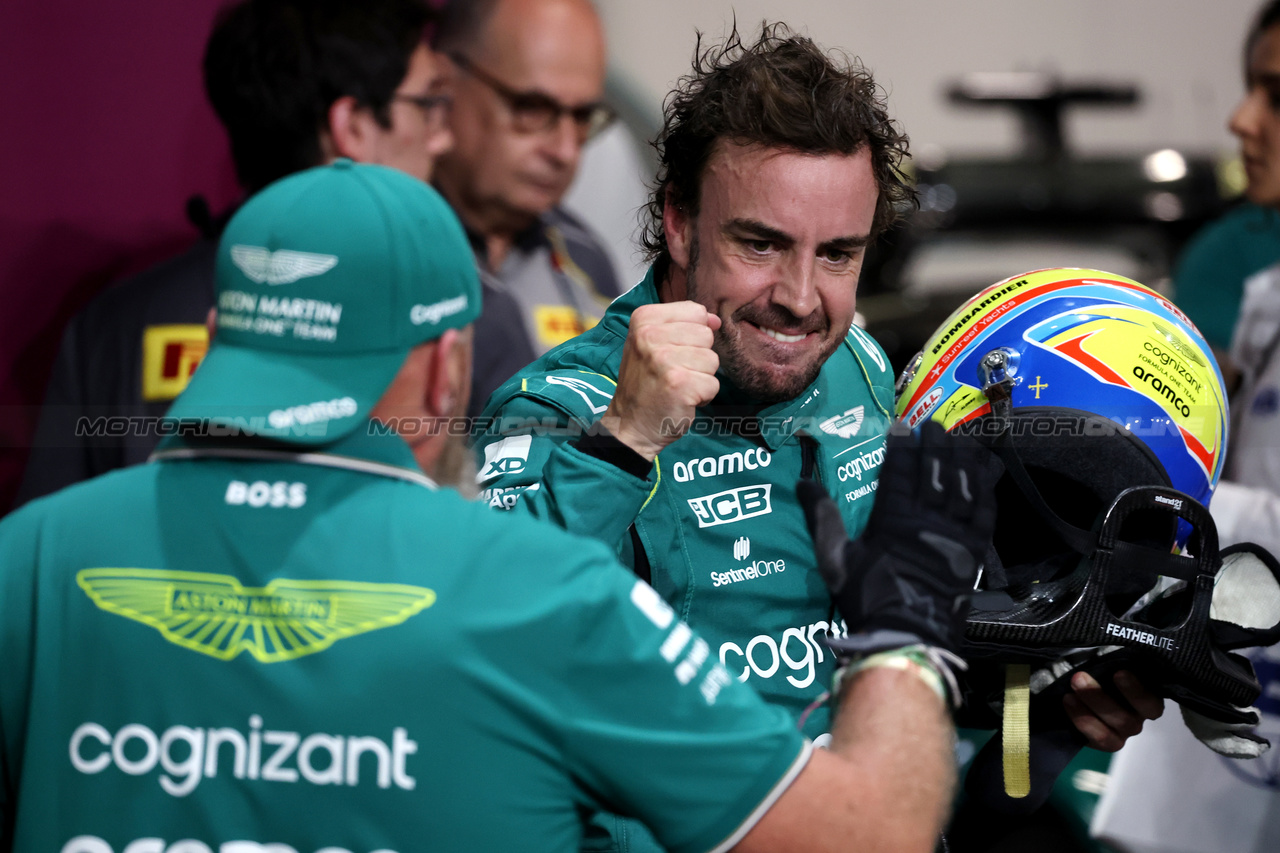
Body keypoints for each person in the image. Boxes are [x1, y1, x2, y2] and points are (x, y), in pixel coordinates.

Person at [0, 158, 1000, 853]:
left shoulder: (28, 563)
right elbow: (866, 833)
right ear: (447, 369)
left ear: (220, 331)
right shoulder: (533, 592)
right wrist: (909, 624)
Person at [474, 23, 1161, 853]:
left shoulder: (862, 364)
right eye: (760, 244)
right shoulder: (559, 408)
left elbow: (942, 740)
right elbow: (484, 652)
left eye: (838, 254)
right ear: (681, 226)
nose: (801, 298)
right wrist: (625, 442)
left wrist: (1045, 723)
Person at [12, 0, 529, 506]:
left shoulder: (113, 326)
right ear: (351, 126)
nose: (441, 139)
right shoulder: (456, 307)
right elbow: (524, 526)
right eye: (426, 105)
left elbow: (56, 551)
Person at [431, 0, 623, 414]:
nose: (566, 150)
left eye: (583, 116)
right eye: (533, 108)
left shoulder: (586, 259)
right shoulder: (379, 245)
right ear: (443, 82)